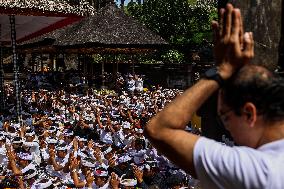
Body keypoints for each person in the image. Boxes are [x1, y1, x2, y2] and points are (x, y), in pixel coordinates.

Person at [144, 3, 284, 189]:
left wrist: (222, 70)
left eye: (225, 118)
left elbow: (158, 129)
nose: (228, 130)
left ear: (250, 113)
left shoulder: (259, 170)